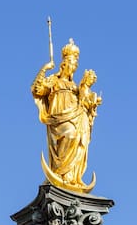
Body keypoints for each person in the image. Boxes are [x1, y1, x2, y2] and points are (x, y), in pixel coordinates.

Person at [32, 39, 101, 191]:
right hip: (59, 118)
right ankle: (59, 171)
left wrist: (91, 102)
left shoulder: (75, 87)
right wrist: (45, 68)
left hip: (75, 117)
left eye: (76, 65)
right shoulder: (54, 81)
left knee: (78, 139)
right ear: (64, 64)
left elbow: (83, 103)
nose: (74, 68)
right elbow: (37, 90)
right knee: (69, 135)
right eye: (71, 63)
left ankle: (70, 177)